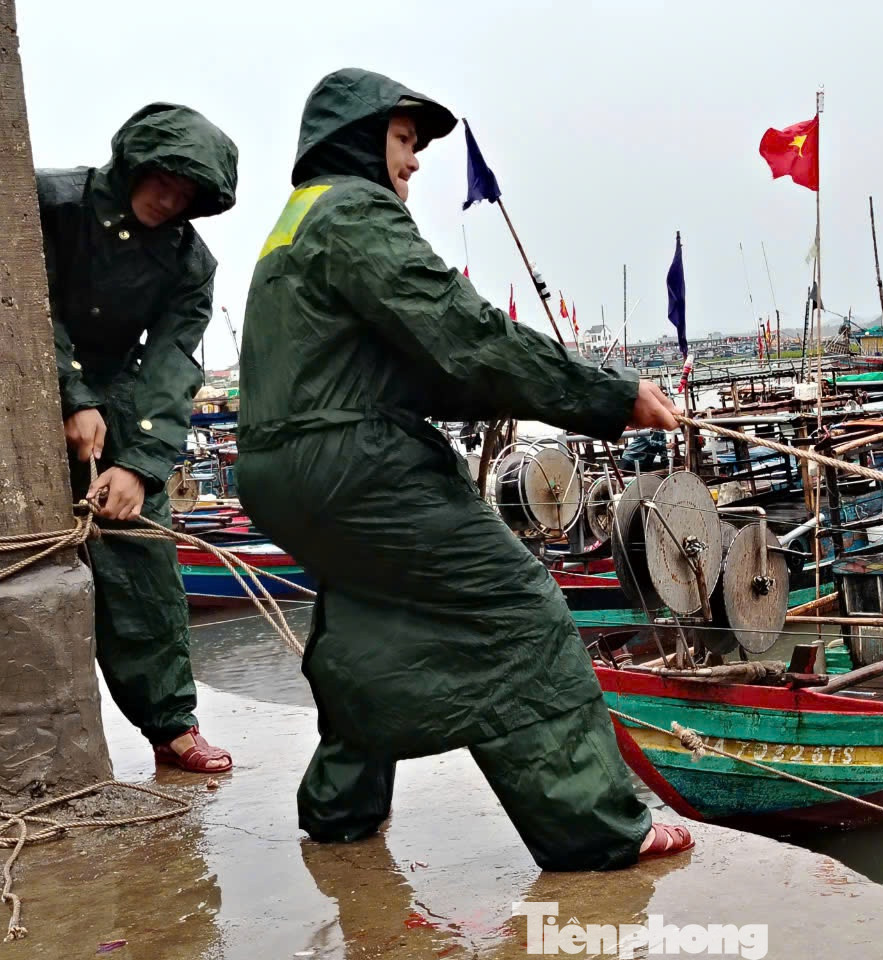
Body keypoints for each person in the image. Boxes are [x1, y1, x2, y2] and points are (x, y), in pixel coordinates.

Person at [235, 68, 692, 869]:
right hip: (357, 462)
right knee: (516, 609)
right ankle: (595, 827)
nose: (412, 164)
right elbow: (463, 332)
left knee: (366, 617)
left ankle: (341, 805)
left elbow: (415, 365)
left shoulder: (294, 226)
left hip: (280, 471)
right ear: (357, 138)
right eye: (404, 142)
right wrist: (610, 395)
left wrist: (540, 396)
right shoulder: (354, 210)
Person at [37, 103, 239, 772]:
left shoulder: (189, 261)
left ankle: (171, 724)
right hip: (22, 365)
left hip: (121, 391)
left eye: (188, 195)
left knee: (141, 560)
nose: (169, 199)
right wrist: (70, 394)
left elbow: (173, 360)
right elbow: (23, 294)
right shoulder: (49, 201)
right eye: (163, 180)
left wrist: (141, 465)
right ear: (134, 164)